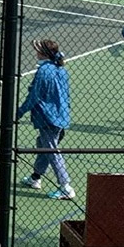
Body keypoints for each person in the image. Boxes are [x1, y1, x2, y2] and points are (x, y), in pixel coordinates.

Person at [16, 38, 74, 200]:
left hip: (48, 118)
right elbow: (65, 95)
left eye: (38, 50)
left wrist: (19, 113)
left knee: (51, 150)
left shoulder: (43, 71)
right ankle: (36, 177)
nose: (35, 52)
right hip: (60, 115)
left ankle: (66, 187)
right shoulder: (60, 69)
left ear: (43, 53)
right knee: (42, 145)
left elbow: (34, 96)